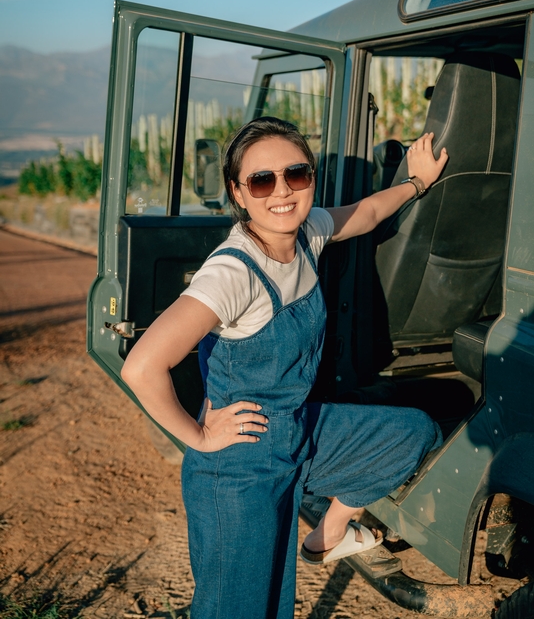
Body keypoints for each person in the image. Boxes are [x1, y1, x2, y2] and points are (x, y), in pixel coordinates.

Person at [121, 117, 448, 619]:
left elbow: (364, 215)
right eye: (261, 180)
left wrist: (416, 181)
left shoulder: (307, 231)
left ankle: (329, 534)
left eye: (296, 174)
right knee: (245, 608)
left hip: (297, 428)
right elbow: (142, 367)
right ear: (238, 191)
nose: (282, 191)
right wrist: (200, 436)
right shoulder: (232, 273)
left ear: (311, 179)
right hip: (240, 465)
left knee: (410, 433)